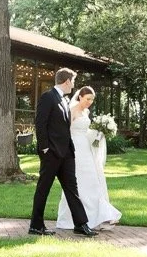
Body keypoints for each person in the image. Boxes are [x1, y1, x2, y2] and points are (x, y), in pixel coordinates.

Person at [28, 68, 97, 237]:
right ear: (67, 81)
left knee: (72, 189)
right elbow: (40, 124)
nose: (74, 85)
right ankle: (36, 225)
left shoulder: (65, 101)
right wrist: (44, 148)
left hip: (66, 153)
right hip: (51, 153)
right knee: (43, 188)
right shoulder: (48, 97)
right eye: (73, 81)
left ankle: (81, 224)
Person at [58, 86, 121, 230]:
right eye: (87, 99)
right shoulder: (72, 111)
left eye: (92, 100)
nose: (90, 102)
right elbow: (65, 132)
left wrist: (99, 132)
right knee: (79, 182)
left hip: (86, 149)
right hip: (75, 149)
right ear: (80, 97)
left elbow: (87, 132)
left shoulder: (86, 112)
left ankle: (97, 216)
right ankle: (73, 218)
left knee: (93, 181)